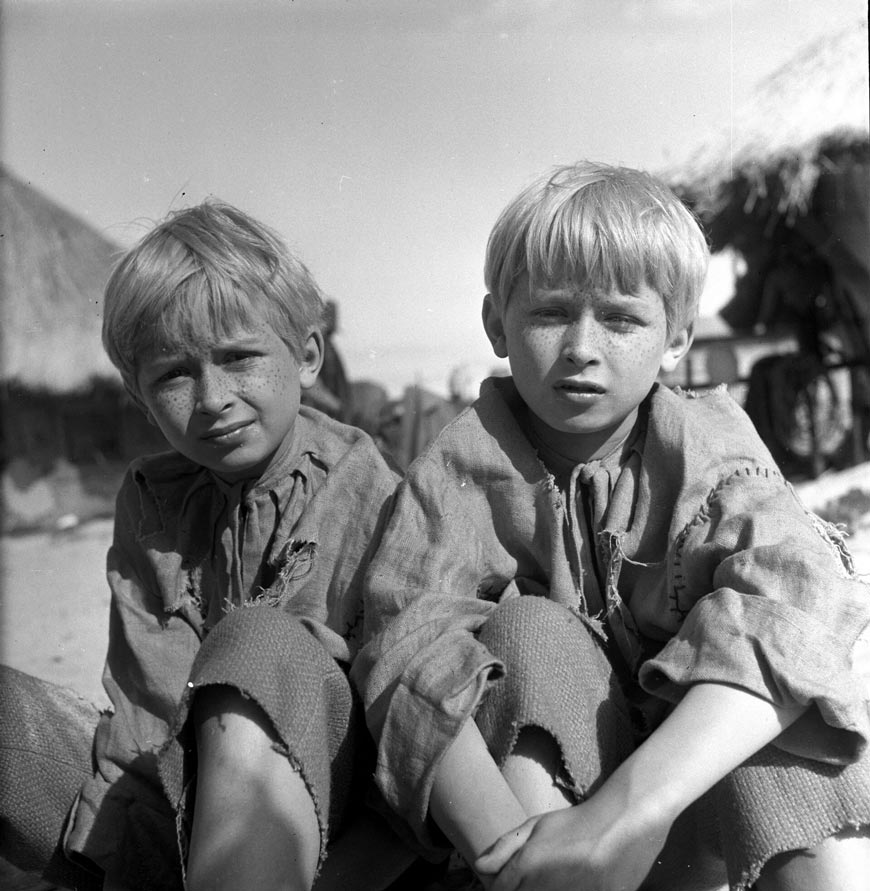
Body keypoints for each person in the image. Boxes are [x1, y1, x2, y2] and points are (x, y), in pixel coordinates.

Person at [351, 162, 870, 891]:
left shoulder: (708, 443)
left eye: (622, 319)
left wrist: (628, 813)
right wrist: (523, 854)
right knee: (531, 630)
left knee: (781, 701)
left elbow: (800, 593)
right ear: (497, 324)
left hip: (690, 803)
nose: (582, 348)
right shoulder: (462, 465)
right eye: (550, 313)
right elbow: (403, 647)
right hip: (544, 812)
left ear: (677, 338)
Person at [0, 202, 411, 891]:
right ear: (138, 394)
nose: (213, 396)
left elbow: (402, 737)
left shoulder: (367, 487)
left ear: (307, 355)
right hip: (170, 807)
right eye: (174, 374)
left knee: (259, 641)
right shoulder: (152, 498)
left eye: (239, 358)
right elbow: (144, 708)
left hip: (333, 833)